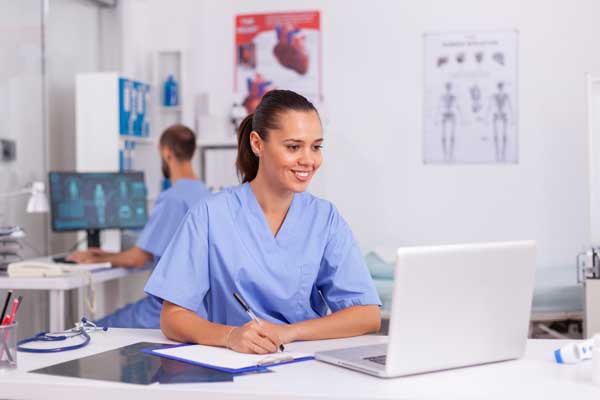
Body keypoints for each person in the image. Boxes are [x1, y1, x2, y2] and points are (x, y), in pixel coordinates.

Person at [145, 90, 381, 354]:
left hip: (304, 367)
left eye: (316, 146)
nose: (309, 160)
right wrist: (231, 336)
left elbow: (367, 314)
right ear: (258, 144)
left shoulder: (324, 219)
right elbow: (172, 317)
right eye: (293, 147)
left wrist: (288, 332)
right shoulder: (210, 215)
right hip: (232, 366)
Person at [68, 124, 211, 328]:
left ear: (166, 152)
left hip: (168, 311)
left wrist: (100, 257)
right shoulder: (204, 193)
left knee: (91, 329)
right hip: (200, 309)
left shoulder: (173, 199)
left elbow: (137, 259)